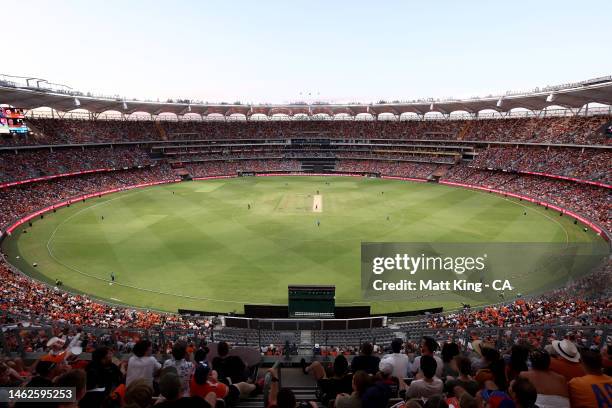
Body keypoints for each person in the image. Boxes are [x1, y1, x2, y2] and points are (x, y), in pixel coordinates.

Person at [190, 361, 255, 405]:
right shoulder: (211, 390)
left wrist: (213, 377)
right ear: (206, 375)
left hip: (223, 387)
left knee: (231, 379)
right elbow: (225, 392)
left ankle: (250, 383)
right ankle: (256, 386)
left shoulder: (194, 379)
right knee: (243, 385)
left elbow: (214, 371)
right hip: (228, 394)